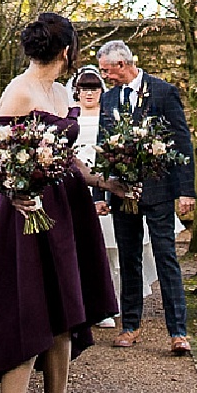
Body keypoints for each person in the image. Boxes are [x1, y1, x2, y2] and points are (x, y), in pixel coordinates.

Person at [0, 11, 125, 393]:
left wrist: (101, 180)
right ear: (66, 51)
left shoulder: (62, 94)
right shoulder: (18, 92)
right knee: (27, 320)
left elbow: (66, 151)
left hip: (67, 209)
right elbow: (0, 156)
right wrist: (15, 190)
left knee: (64, 319)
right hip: (26, 215)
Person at [96, 39, 197, 354]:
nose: (105, 77)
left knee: (166, 258)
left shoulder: (164, 92)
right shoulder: (108, 98)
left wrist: (185, 190)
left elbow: (181, 141)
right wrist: (101, 192)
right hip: (122, 194)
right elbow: (103, 147)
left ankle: (178, 332)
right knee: (128, 260)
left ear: (123, 65)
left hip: (159, 190)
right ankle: (130, 326)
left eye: (107, 71)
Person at [71, 68, 121, 325]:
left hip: (105, 184)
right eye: (84, 88)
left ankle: (111, 304)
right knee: (81, 246)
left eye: (94, 88)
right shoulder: (69, 118)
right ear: (76, 91)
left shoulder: (110, 116)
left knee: (112, 250)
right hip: (77, 183)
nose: (89, 93)